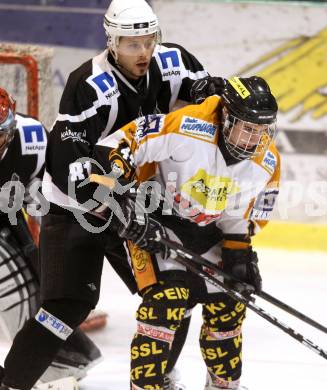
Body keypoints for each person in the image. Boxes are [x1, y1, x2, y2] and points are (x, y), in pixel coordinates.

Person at [0, 0, 224, 389]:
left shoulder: (174, 62)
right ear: (111, 42)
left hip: (137, 201)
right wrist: (122, 210)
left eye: (149, 40)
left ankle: (158, 377)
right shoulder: (88, 84)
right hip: (75, 209)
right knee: (64, 309)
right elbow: (72, 170)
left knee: (174, 296)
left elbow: (208, 104)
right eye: (132, 44)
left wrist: (213, 92)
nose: (144, 52)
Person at [90, 76, 280, 389]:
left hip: (209, 231)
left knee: (230, 301)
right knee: (167, 300)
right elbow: (123, 143)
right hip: (155, 218)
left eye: (262, 131)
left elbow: (241, 213)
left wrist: (239, 253)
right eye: (248, 128)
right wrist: (120, 195)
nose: (253, 140)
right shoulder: (189, 125)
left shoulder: (266, 161)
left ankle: (223, 384)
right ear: (227, 117)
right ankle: (147, 384)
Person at [0, 87, 102, 389]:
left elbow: (53, 194)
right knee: (11, 283)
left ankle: (51, 361)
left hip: (7, 218)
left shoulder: (32, 140)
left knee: (33, 282)